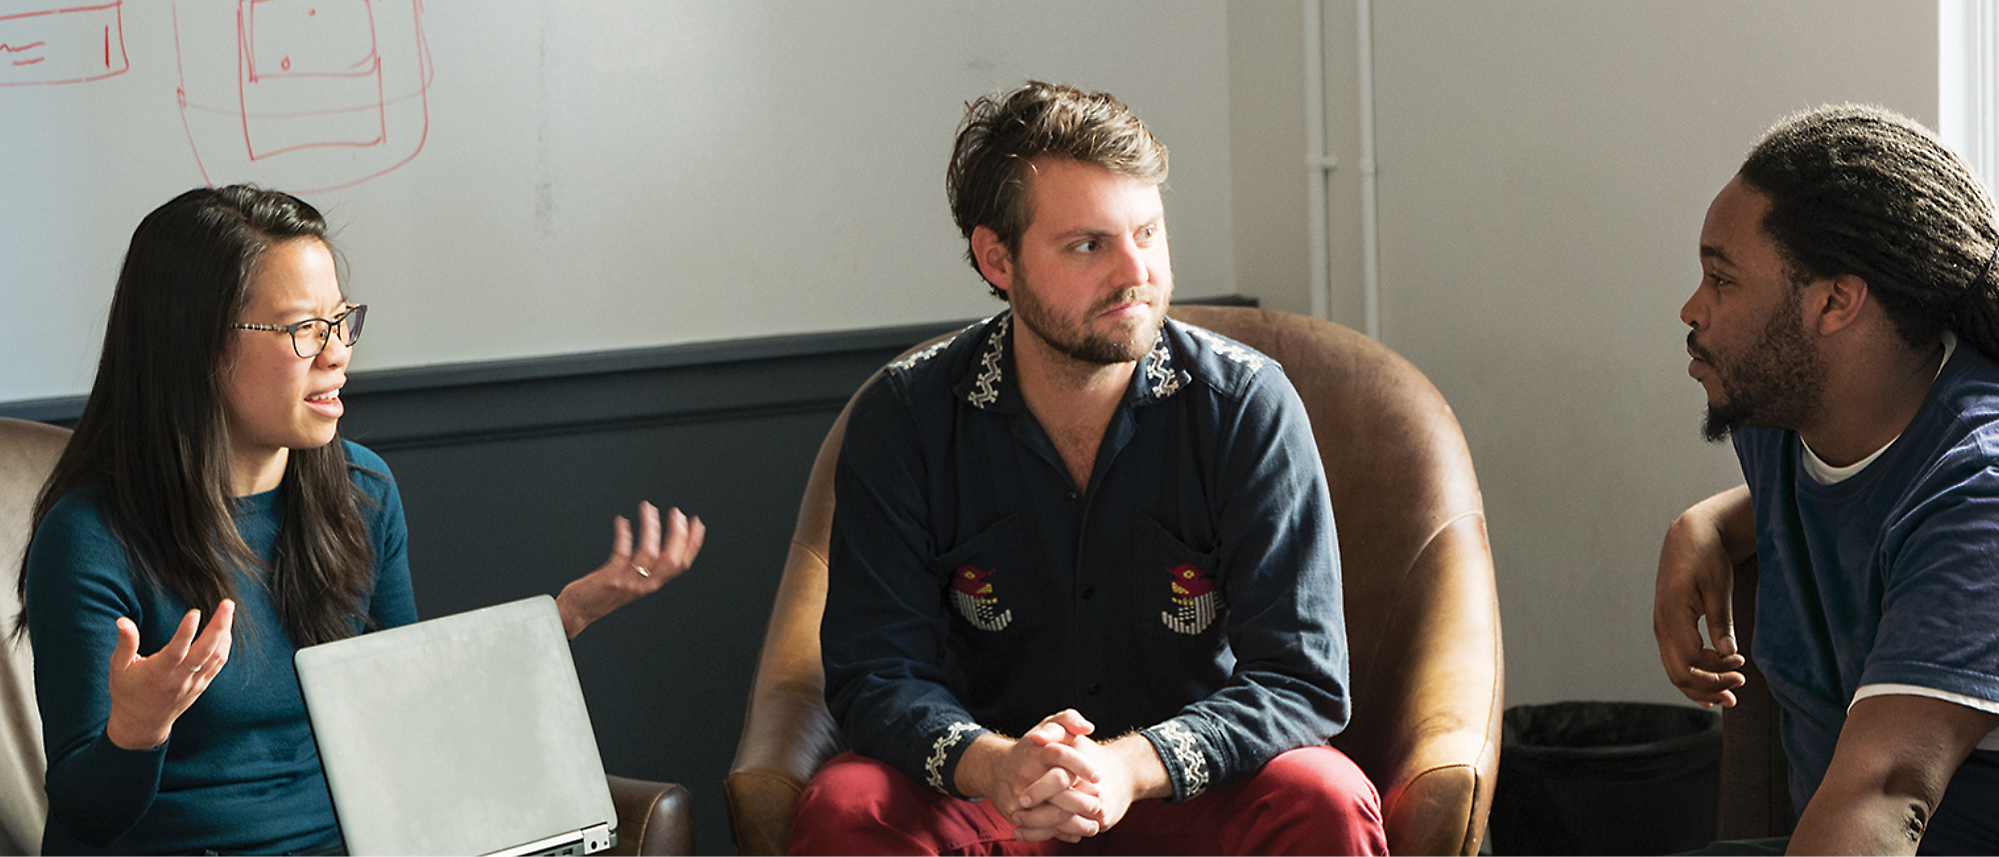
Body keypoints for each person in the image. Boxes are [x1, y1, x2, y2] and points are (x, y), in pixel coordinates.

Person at [16, 185, 706, 857]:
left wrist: (558, 620)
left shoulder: (361, 491)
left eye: (341, 320)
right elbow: (90, 816)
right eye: (305, 330)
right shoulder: (91, 537)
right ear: (195, 346)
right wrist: (138, 728)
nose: (338, 351)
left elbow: (405, 716)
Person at [788, 81, 1387, 856]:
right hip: (992, 791)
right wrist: (994, 763)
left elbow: (1299, 675)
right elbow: (875, 670)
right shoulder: (906, 416)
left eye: (1147, 231)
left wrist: (1129, 767)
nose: (1134, 272)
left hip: (1187, 780)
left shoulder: (1245, 404)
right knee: (849, 806)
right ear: (996, 257)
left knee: (1325, 798)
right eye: (1088, 244)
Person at [1657, 105, 1999, 856]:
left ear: (1834, 302)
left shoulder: (1977, 491)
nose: (1690, 308)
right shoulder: (1781, 410)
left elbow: (1885, 794)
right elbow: (1860, 497)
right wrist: (1707, 525)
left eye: (1721, 278)